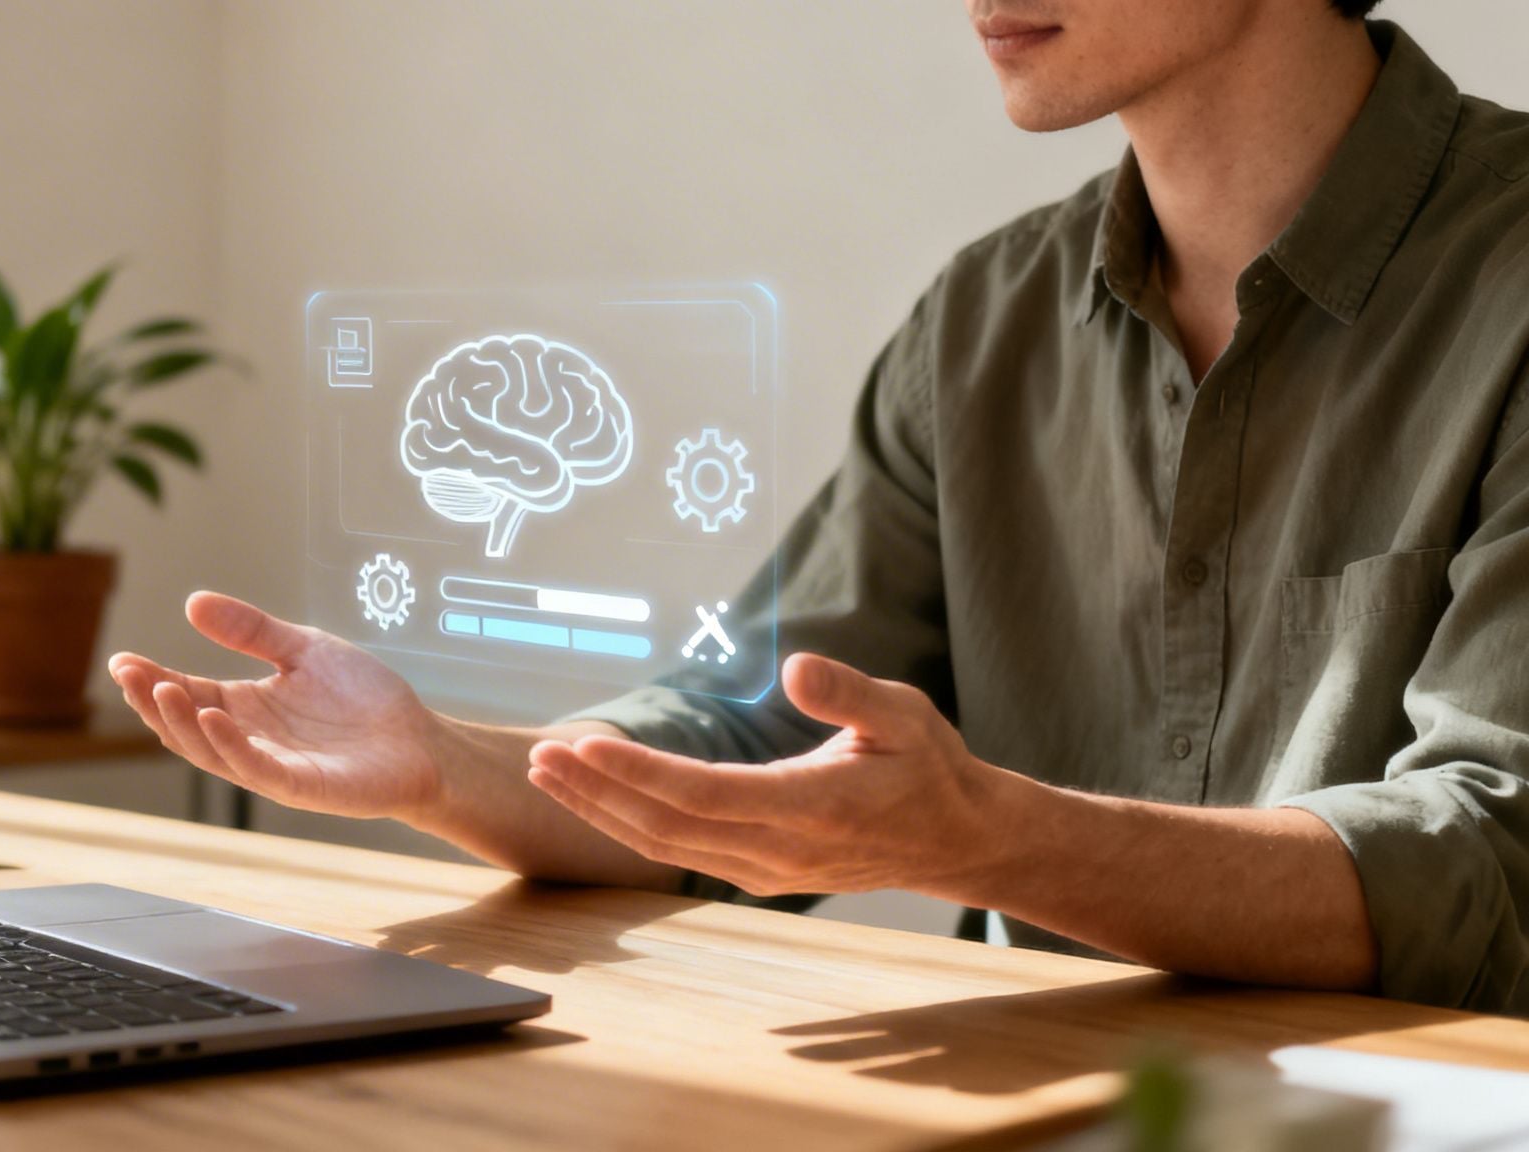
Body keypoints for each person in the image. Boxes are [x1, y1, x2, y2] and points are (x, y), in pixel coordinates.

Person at [110, 0, 1529, 1015]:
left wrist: (986, 834)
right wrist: (441, 761)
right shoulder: (983, 322)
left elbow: (1490, 857)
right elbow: (754, 734)